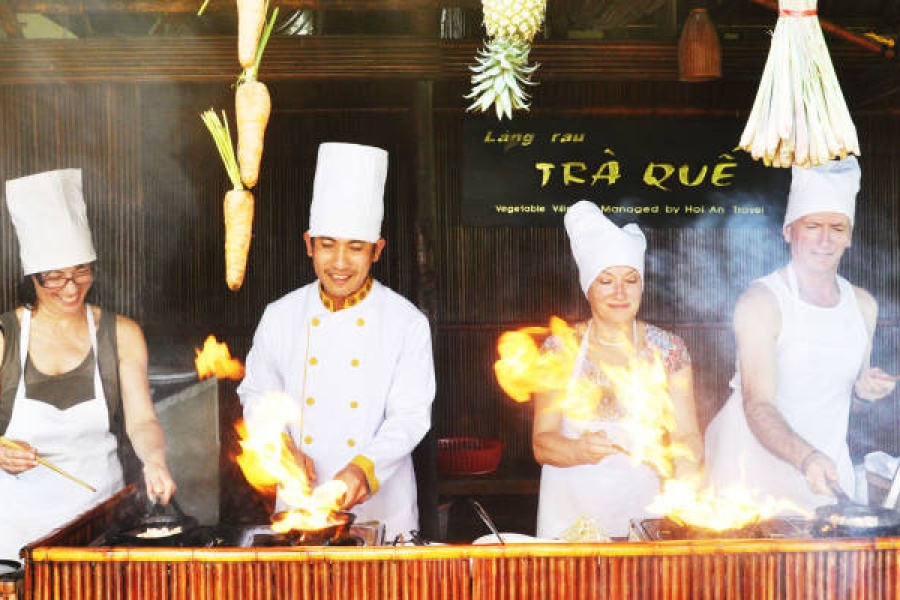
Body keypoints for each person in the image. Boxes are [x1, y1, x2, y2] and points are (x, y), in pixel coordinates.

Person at [238, 142, 436, 540]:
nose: (340, 263)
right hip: (299, 508)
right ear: (309, 243)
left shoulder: (406, 322)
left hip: (383, 508)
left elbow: (411, 416)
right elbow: (257, 394)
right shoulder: (280, 316)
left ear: (377, 251)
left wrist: (364, 467)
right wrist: (280, 446)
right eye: (328, 245)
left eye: (356, 248)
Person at [0, 169, 176, 560]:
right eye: (55, 278)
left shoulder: (121, 334)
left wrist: (155, 460)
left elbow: (142, 420)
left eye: (81, 271)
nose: (71, 287)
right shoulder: (5, 337)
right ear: (31, 276)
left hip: (97, 524)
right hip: (15, 531)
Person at [704, 155, 895, 512]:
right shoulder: (762, 301)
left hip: (826, 472)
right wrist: (806, 457)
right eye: (812, 226)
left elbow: (848, 391)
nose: (825, 239)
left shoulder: (863, 305)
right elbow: (757, 403)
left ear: (849, 237)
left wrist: (865, 392)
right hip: (751, 473)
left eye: (837, 227)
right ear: (789, 231)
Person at [534, 200, 703, 539]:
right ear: (589, 288)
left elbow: (687, 435)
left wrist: (684, 483)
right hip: (570, 516)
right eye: (606, 281)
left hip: (646, 512)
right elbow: (542, 443)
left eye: (630, 279)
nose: (620, 292)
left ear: (642, 286)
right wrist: (579, 450)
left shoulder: (669, 350)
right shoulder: (559, 350)